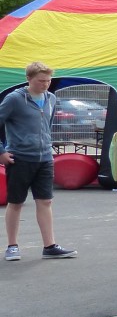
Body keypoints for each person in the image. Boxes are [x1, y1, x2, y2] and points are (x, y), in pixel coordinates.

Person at [0, 62, 77, 260]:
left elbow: (46, 126)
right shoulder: (14, 99)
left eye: (48, 81)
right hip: (20, 158)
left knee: (45, 201)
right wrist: (1, 152)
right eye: (41, 81)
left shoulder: (51, 98)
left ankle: (49, 246)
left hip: (44, 157)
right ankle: (12, 246)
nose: (45, 84)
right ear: (29, 79)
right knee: (16, 202)